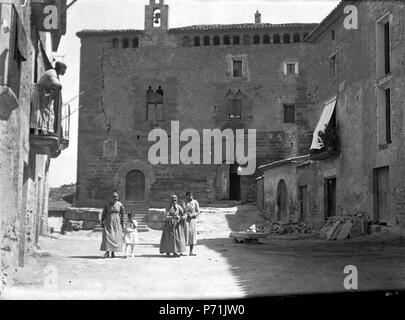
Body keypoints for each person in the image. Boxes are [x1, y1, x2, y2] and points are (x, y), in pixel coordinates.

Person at [30, 61, 67, 135]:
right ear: (60, 68)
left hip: (44, 97)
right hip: (39, 95)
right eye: (64, 70)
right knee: (38, 114)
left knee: (46, 115)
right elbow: (57, 85)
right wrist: (55, 91)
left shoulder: (54, 74)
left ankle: (42, 132)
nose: (65, 72)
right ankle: (34, 131)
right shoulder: (51, 73)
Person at [100, 192, 124, 258]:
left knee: (114, 237)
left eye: (116, 197)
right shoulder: (107, 205)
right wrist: (102, 221)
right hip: (108, 222)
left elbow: (122, 214)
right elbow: (103, 213)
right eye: (114, 197)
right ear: (111, 197)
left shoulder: (120, 205)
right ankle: (107, 252)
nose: (115, 198)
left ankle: (113, 252)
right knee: (107, 237)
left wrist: (122, 223)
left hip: (116, 223)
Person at [183, 192, 200, 256]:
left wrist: (193, 214)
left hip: (193, 220)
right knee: (185, 234)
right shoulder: (184, 202)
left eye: (191, 195)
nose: (190, 196)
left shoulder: (195, 202)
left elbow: (198, 211)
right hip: (186, 220)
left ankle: (191, 251)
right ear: (186, 196)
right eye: (189, 195)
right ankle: (183, 250)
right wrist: (187, 214)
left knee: (192, 235)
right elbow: (183, 210)